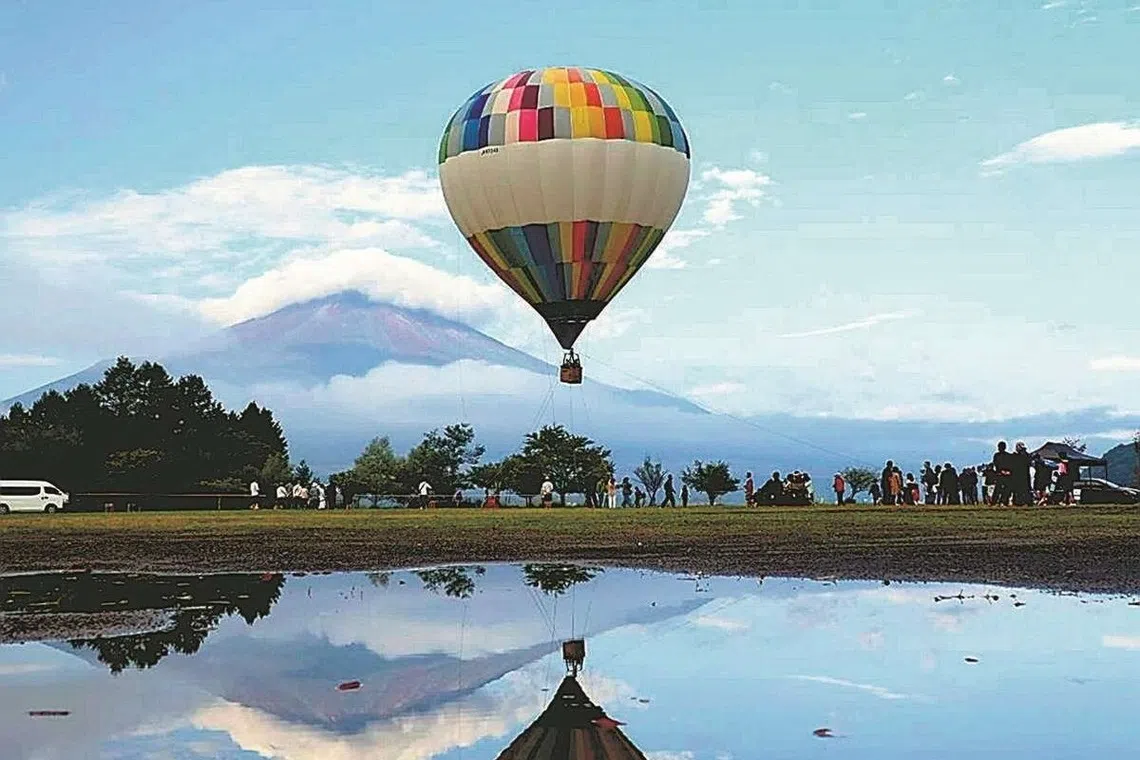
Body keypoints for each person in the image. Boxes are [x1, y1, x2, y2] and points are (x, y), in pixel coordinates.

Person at [992, 442, 1013, 506]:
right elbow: (996, 464)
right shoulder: (997, 455)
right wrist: (1002, 471)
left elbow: (1011, 465)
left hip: (1006, 474)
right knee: (998, 489)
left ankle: (1003, 502)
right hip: (1000, 474)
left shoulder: (1008, 456)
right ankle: (995, 502)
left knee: (1006, 489)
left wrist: (1007, 471)